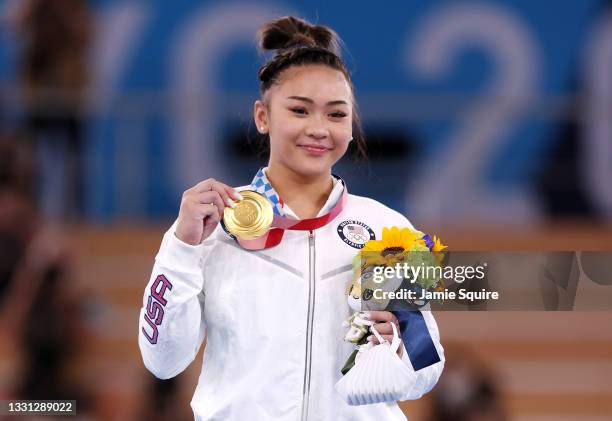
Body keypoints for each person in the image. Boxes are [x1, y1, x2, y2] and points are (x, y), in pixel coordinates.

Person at [138, 16, 444, 421]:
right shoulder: (214, 226)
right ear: (262, 117)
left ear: (351, 126)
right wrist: (180, 249)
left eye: (336, 115)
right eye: (300, 110)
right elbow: (163, 361)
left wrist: (399, 346)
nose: (318, 128)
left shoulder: (390, 231)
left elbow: (426, 368)